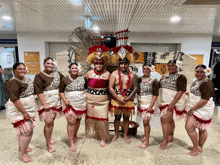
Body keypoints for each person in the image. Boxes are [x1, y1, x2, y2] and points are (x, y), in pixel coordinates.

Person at [5, 62, 36, 163]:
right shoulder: (12, 82)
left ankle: (21, 147)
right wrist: (24, 113)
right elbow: (15, 100)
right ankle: (24, 154)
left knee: (22, 131)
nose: (23, 70)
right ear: (14, 70)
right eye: (19, 69)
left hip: (29, 108)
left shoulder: (26, 79)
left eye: (24, 68)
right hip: (19, 109)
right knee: (27, 130)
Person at [34, 57, 64, 153]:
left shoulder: (57, 74)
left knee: (51, 121)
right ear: (43, 64)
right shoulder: (39, 76)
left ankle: (49, 137)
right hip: (46, 101)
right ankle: (48, 143)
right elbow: (38, 91)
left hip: (56, 101)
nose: (50, 65)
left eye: (52, 64)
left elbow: (65, 81)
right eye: (48, 63)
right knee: (48, 122)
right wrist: (45, 103)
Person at [109, 46, 138, 144]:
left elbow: (136, 88)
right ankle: (116, 134)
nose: (123, 66)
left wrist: (128, 98)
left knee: (126, 118)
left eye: (125, 63)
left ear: (128, 64)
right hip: (116, 99)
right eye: (121, 63)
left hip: (128, 99)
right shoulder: (114, 74)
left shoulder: (133, 74)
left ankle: (125, 135)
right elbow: (110, 87)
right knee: (117, 118)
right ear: (119, 64)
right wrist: (118, 98)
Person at [84, 44, 111, 147]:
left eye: (100, 63)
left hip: (103, 102)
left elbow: (111, 86)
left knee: (103, 119)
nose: (98, 65)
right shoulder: (89, 73)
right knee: (94, 119)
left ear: (103, 64)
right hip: (90, 100)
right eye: (96, 63)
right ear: (94, 64)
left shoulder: (108, 74)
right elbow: (83, 84)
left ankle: (103, 137)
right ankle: (96, 133)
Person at [185, 64, 215, 156]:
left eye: (201, 71)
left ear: (206, 72)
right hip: (197, 106)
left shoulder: (207, 83)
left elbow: (205, 99)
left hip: (201, 108)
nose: (198, 73)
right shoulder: (197, 81)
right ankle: (198, 146)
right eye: (197, 71)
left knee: (190, 127)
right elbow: (198, 93)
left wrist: (193, 108)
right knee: (202, 128)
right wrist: (189, 93)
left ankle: (196, 148)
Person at [158, 60, 187, 150]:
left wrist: (172, 104)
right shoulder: (164, 76)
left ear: (177, 66)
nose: (171, 67)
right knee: (169, 120)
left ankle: (164, 140)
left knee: (165, 119)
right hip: (163, 100)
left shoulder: (181, 77)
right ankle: (170, 136)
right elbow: (159, 86)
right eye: (169, 66)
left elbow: (181, 90)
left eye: (173, 66)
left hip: (172, 101)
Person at [59, 62, 87, 152]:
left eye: (76, 68)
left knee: (78, 120)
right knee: (71, 122)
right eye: (73, 68)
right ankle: (71, 142)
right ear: (70, 69)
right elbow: (60, 91)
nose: (74, 70)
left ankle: (75, 135)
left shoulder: (83, 78)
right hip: (69, 104)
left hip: (81, 103)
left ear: (78, 69)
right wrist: (65, 100)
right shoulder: (65, 79)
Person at [137, 64, 159, 148]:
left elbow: (155, 94)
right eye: (144, 69)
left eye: (148, 69)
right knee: (144, 120)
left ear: (151, 70)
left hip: (149, 103)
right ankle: (145, 136)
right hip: (141, 102)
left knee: (146, 121)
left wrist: (151, 106)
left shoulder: (154, 80)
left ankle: (146, 141)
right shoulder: (139, 79)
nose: (146, 70)